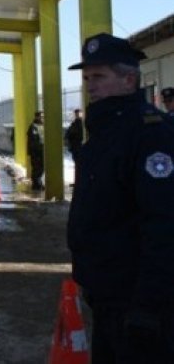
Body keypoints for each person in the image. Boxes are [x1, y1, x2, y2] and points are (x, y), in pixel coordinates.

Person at [66, 32, 174, 362]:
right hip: (107, 293)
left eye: (99, 77)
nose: (90, 86)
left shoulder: (151, 134)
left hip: (137, 299)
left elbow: (164, 223)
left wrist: (148, 304)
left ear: (129, 80)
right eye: (87, 78)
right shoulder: (104, 133)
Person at [26, 110, 44, 190]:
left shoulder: (42, 125)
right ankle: (36, 184)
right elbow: (34, 139)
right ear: (37, 117)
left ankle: (38, 182)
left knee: (41, 167)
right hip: (36, 151)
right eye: (40, 116)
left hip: (41, 150)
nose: (42, 118)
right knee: (36, 167)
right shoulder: (33, 126)